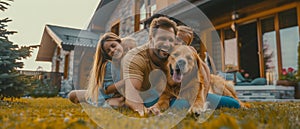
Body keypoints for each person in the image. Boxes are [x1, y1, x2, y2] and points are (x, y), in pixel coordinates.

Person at [122, 17, 192, 116]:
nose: (167, 44)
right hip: (146, 97)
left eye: (170, 40)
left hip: (170, 93)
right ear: (151, 38)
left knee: (209, 98)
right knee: (182, 104)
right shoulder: (136, 57)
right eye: (162, 38)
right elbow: (132, 96)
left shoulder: (173, 54)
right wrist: (144, 112)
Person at [175, 25, 240, 109]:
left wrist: (202, 97)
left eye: (184, 43)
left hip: (198, 92)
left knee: (234, 103)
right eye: (177, 40)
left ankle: (234, 99)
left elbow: (204, 74)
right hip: (179, 95)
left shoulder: (190, 54)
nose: (180, 44)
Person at [69, 32, 126, 107]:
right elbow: (107, 90)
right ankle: (91, 99)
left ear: (120, 43)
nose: (112, 50)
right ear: (107, 55)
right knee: (72, 95)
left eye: (113, 45)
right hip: (107, 95)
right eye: (108, 51)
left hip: (122, 95)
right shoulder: (109, 65)